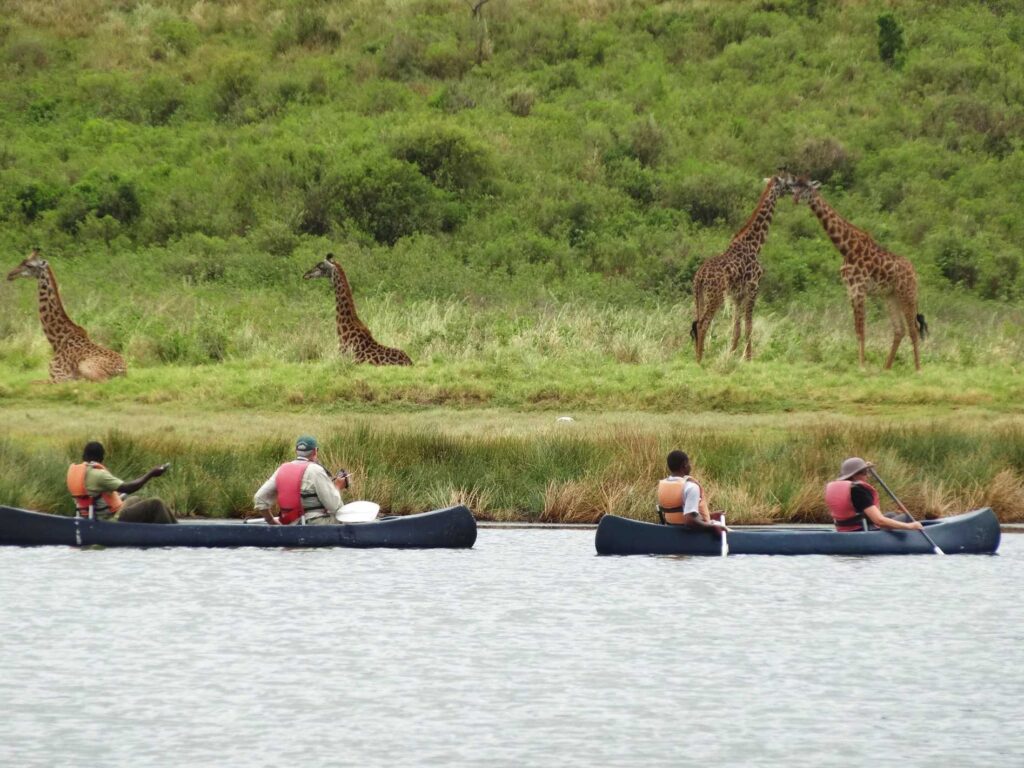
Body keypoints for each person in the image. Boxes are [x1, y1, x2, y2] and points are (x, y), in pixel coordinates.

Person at [66, 441, 176, 524]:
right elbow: (129, 488)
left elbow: (95, 495)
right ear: (101, 458)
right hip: (110, 520)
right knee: (155, 504)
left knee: (135, 499)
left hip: (93, 516)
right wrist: (151, 474)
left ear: (84, 456)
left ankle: (172, 527)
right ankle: (174, 532)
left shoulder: (74, 473)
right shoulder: (98, 475)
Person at [253, 435, 350, 525]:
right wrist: (337, 487)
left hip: (289, 524)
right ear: (315, 451)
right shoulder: (316, 470)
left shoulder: (282, 469)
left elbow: (259, 498)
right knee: (344, 517)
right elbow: (334, 507)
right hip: (314, 524)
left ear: (296, 450)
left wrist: (271, 521)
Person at [825, 457, 924, 533]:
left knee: (892, 515)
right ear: (854, 475)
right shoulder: (858, 491)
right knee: (905, 517)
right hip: (862, 531)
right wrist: (910, 526)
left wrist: (864, 467)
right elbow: (879, 521)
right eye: (864, 473)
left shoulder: (839, 487)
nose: (867, 476)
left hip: (845, 530)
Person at [656, 450, 722, 533]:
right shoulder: (691, 487)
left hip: (670, 531)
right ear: (684, 465)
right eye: (689, 463)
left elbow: (679, 513)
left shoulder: (663, 484)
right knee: (722, 528)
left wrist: (710, 515)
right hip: (690, 534)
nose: (690, 466)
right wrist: (712, 526)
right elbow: (690, 521)